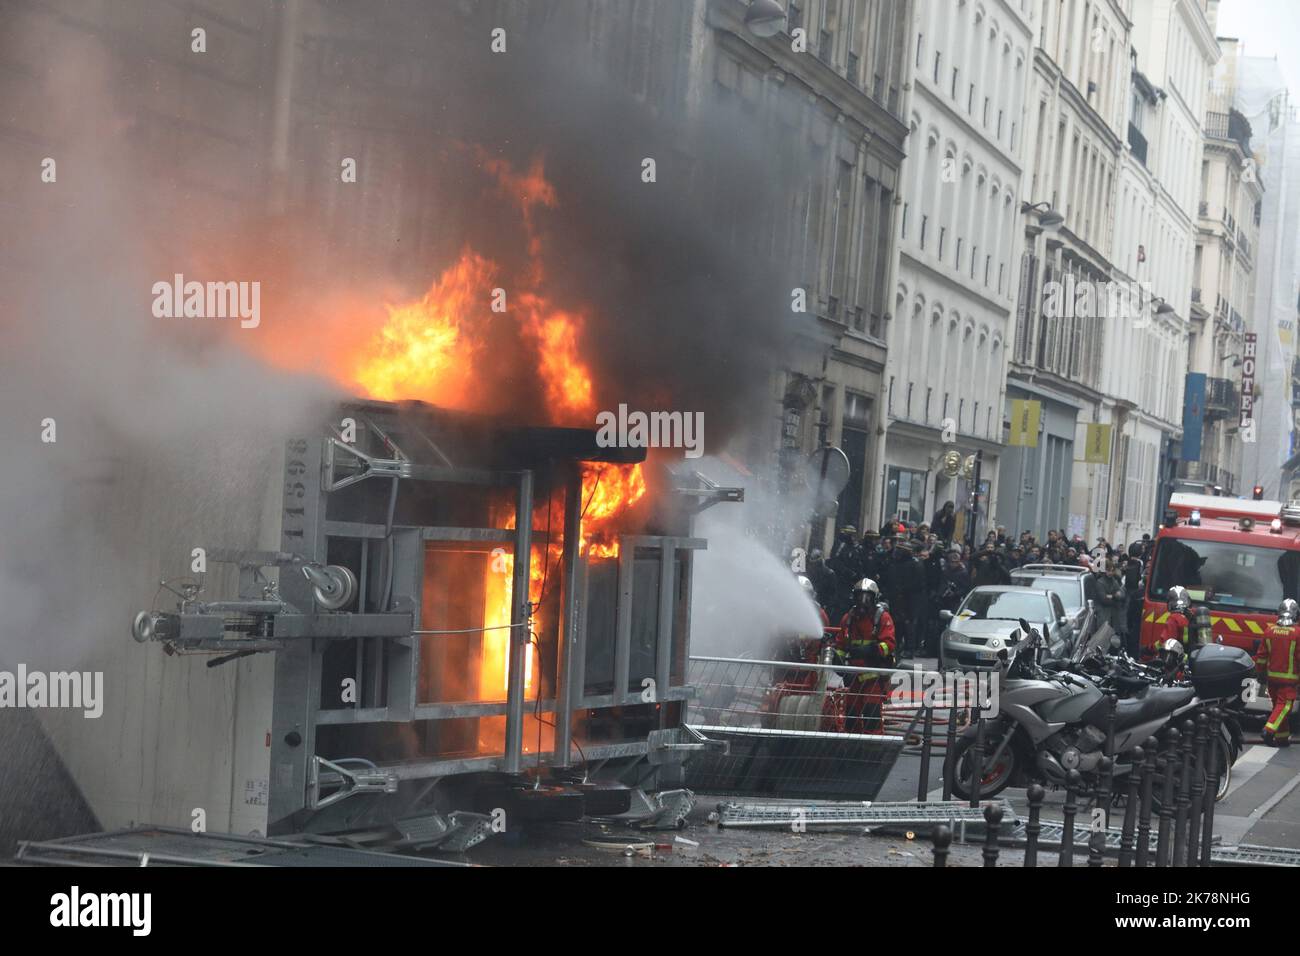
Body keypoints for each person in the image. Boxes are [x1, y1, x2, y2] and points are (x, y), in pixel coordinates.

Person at [835, 578, 896, 733]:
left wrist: (873, 650)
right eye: (859, 597)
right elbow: (840, 646)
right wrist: (840, 667)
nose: (863, 602)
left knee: (871, 717)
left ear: (874, 598)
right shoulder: (848, 619)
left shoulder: (882, 618)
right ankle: (851, 748)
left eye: (867, 597)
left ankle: (873, 750)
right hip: (853, 678)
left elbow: (889, 644)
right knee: (851, 716)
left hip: (874, 678)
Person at [1255, 599, 1300, 747]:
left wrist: (1260, 674)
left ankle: (1282, 739)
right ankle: (1269, 730)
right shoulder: (1297, 633)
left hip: (1271, 678)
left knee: (1278, 709)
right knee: (1285, 707)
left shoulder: (1269, 631)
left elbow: (1261, 656)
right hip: (1289, 680)